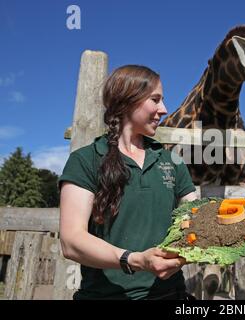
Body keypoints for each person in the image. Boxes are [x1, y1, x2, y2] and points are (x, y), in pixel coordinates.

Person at [58, 65, 197, 300]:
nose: (164, 109)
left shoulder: (171, 160)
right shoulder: (85, 160)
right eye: (155, 100)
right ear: (128, 101)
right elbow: (71, 241)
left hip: (172, 294)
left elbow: (196, 216)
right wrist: (134, 260)